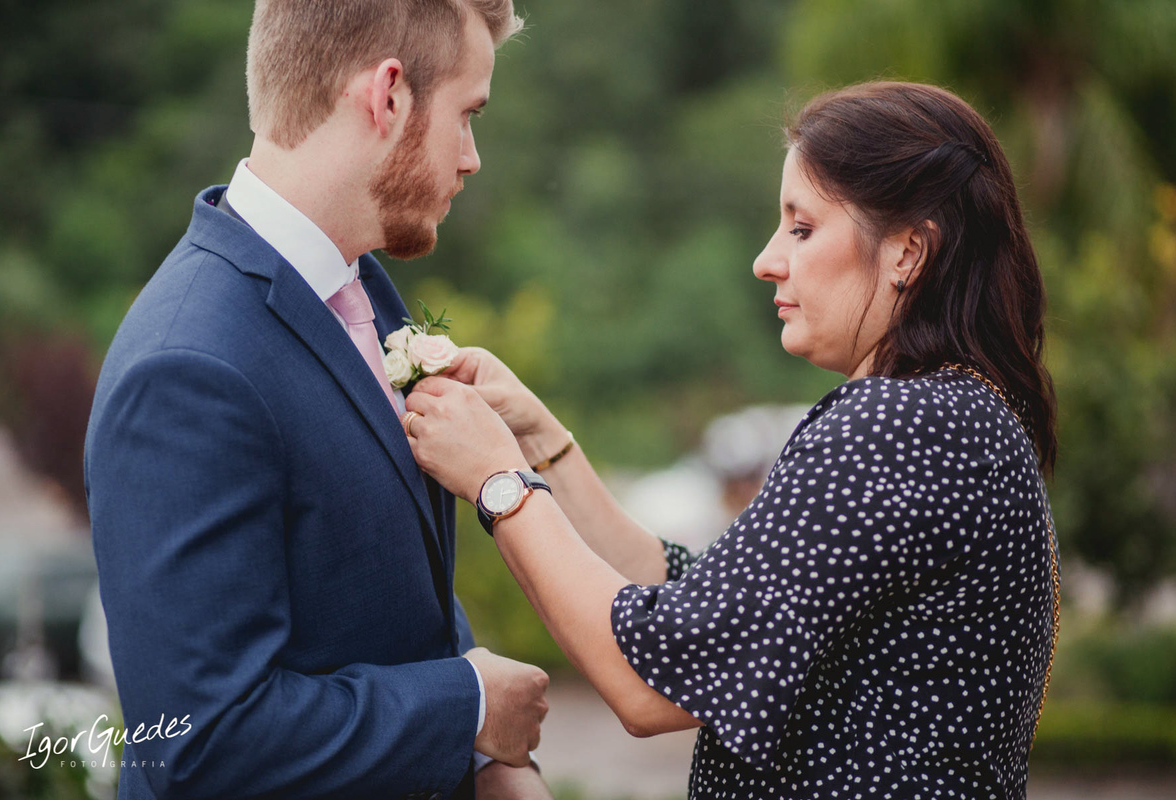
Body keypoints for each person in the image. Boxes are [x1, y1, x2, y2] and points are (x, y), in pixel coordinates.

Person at [401, 81, 1060, 799]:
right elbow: (706, 613)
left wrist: (499, 481)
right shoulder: (957, 418)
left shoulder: (896, 427)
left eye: (802, 229)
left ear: (907, 252)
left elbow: (649, 685)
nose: (767, 260)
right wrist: (538, 439)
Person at [84, 2, 554, 798]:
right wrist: (467, 708)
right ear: (389, 96)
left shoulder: (360, 285)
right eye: (468, 115)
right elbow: (201, 744)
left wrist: (498, 772)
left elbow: (395, 599)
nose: (472, 158)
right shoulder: (186, 368)